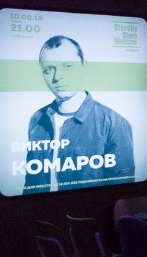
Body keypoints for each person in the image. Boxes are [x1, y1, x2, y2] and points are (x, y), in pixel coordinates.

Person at [22, 35, 134, 193]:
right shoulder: (37, 119)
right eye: (48, 70)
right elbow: (30, 182)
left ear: (84, 67)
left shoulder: (114, 124)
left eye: (67, 66)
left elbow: (122, 192)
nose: (57, 77)